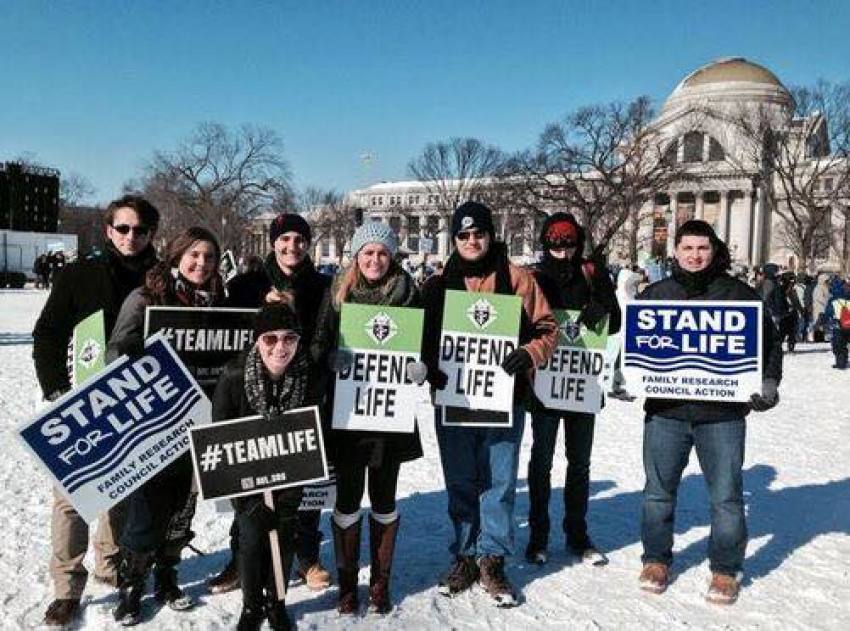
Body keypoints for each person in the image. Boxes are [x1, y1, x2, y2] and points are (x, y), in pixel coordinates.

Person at [636, 220, 782, 605]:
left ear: (714, 251)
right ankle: (655, 559)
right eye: (688, 248)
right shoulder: (656, 294)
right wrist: (625, 377)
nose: (695, 255)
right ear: (676, 251)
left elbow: (769, 345)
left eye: (703, 248)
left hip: (722, 416)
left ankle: (725, 567)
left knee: (727, 496)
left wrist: (768, 381)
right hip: (666, 412)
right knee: (657, 493)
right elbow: (635, 351)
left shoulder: (740, 295)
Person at [420, 201, 558, 607]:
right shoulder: (437, 284)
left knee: (498, 482)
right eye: (463, 235)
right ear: (454, 239)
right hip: (454, 400)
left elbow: (549, 329)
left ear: (490, 234)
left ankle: (493, 558)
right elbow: (423, 341)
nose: (472, 240)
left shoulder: (517, 279)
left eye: (478, 233)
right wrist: (430, 368)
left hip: (503, 400)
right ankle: (464, 555)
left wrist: (529, 353)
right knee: (461, 480)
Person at [32, 195, 160, 627]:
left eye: (139, 230)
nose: (130, 237)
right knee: (71, 497)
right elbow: (48, 334)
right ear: (108, 231)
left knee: (122, 489)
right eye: (122, 228)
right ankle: (67, 586)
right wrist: (55, 390)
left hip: (136, 400)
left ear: (150, 235)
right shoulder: (77, 275)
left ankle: (111, 564)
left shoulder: (161, 279)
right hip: (82, 400)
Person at [209, 213, 333, 595]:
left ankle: (306, 556)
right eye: (284, 239)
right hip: (252, 397)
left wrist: (297, 357)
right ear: (272, 241)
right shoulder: (246, 284)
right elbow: (225, 336)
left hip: (303, 391)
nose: (291, 246)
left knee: (304, 480)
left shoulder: (323, 285)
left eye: (299, 239)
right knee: (248, 481)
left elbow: (324, 338)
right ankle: (240, 558)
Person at [106, 226, 224, 625]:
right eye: (193, 255)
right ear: (175, 257)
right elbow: (114, 353)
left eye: (208, 256)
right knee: (145, 509)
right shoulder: (146, 297)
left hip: (200, 421)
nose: (201, 263)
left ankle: (167, 576)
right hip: (153, 425)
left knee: (181, 508)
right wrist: (132, 354)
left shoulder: (219, 301)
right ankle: (131, 587)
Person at [311, 221, 423, 614]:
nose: (375, 259)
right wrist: (329, 358)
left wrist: (419, 367)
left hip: (389, 415)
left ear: (392, 256)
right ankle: (346, 585)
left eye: (382, 253)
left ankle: (379, 582)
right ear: (356, 257)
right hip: (349, 413)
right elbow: (320, 340)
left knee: (384, 496)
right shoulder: (339, 292)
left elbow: (424, 344)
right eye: (368, 253)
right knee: (346, 498)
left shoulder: (410, 293)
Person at [525, 212, 621, 566]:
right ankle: (538, 534)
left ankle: (577, 533)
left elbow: (614, 323)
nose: (562, 251)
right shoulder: (536, 276)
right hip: (546, 381)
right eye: (555, 244)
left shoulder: (592, 272)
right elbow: (523, 322)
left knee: (579, 463)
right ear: (546, 243)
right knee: (541, 461)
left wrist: (601, 307)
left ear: (578, 242)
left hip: (582, 380)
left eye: (569, 244)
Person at [213, 302, 314, 630]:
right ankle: (251, 605)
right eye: (270, 339)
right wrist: (241, 495)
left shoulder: (306, 374)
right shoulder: (234, 374)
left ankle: (277, 601)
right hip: (247, 478)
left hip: (289, 472)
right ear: (257, 340)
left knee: (283, 536)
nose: (280, 347)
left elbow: (314, 429)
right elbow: (219, 435)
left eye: (289, 338)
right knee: (252, 538)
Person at [823, 278, 850, 368]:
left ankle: (841, 363)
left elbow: (828, 313)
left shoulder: (833, 300)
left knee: (839, 345)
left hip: (838, 326)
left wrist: (825, 320)